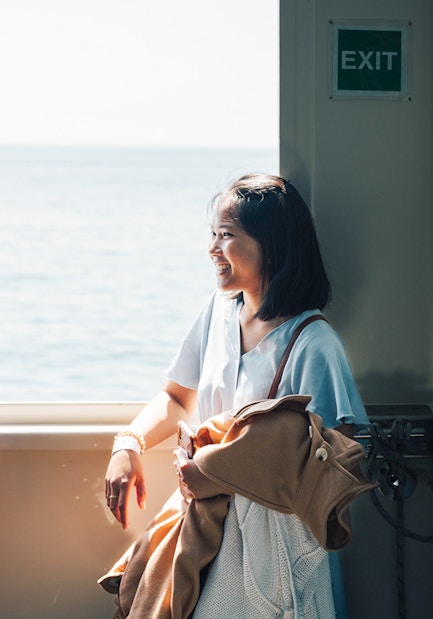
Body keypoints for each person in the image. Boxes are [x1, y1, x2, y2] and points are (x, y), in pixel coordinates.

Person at [103, 173, 369, 618]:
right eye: (213, 234)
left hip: (269, 551)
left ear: (272, 244)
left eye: (226, 235)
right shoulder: (220, 311)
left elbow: (325, 473)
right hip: (205, 528)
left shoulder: (314, 345)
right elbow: (176, 395)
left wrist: (222, 474)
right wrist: (128, 443)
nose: (212, 248)